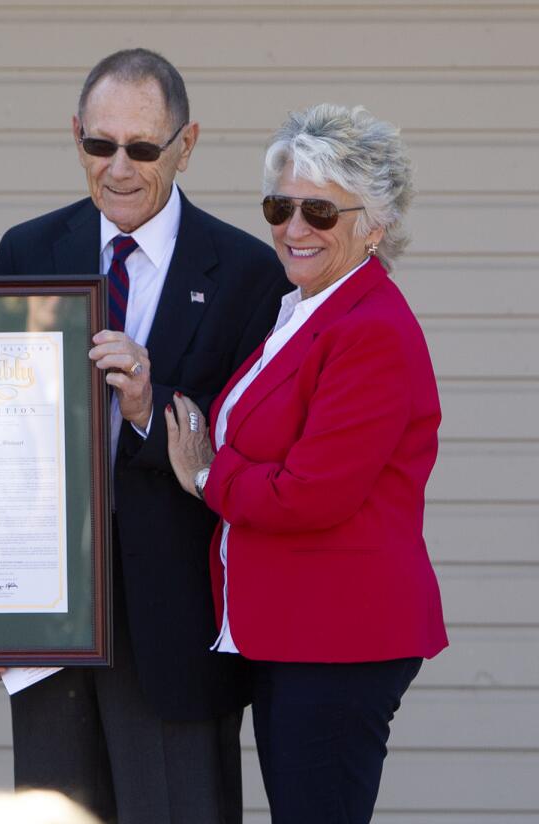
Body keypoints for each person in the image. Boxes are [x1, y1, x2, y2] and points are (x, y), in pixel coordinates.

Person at [0, 48, 289, 823]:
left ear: (185, 145)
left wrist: (150, 411)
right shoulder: (26, 252)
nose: (118, 168)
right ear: (77, 136)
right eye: (99, 145)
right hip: (48, 620)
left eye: (143, 148)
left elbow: (250, 450)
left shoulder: (250, 273)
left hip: (176, 623)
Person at [165, 103, 448, 824]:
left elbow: (308, 494)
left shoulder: (370, 330)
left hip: (339, 639)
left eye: (320, 211)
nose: (293, 228)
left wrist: (204, 475)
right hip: (296, 633)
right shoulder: (308, 310)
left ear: (374, 224)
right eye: (279, 206)